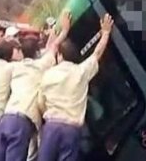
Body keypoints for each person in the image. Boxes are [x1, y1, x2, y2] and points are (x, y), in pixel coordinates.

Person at [0, 12, 71, 161]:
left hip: (5, 119)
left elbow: (49, 48)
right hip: (21, 122)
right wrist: (64, 30)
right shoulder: (39, 67)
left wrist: (53, 33)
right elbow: (53, 48)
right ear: (37, 53)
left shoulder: (15, 68)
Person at [37, 14, 114, 161]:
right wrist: (105, 33)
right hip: (71, 130)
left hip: (51, 127)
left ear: (59, 56)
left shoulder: (48, 74)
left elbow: (41, 103)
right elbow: (96, 54)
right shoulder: (81, 72)